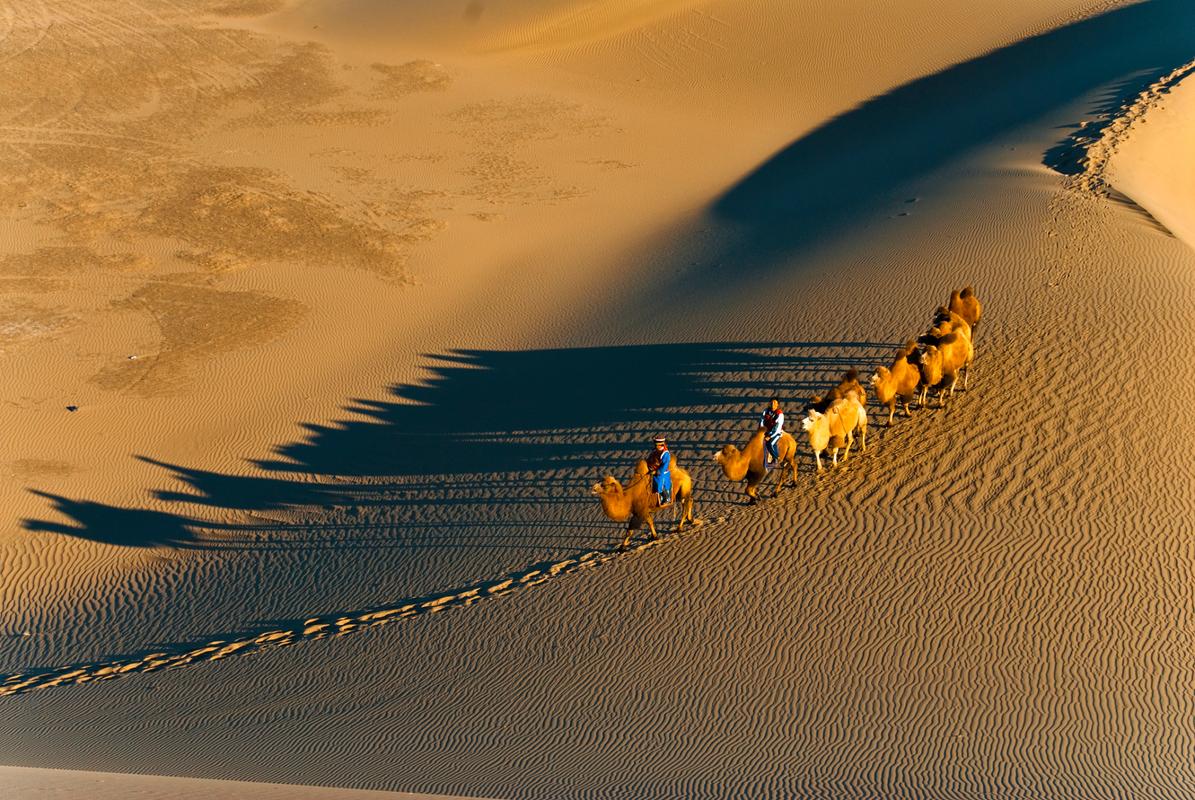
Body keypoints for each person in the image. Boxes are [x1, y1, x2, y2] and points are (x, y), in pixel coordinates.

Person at [646, 434, 672, 507]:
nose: (656, 446)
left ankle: (666, 497)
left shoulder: (665, 453)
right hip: (652, 469)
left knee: (658, 481)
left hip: (661, 472)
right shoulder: (654, 451)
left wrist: (658, 471)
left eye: (657, 444)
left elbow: (665, 464)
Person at [759, 398, 783, 469]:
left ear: (777, 405)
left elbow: (777, 428)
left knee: (770, 443)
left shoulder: (780, 414)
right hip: (766, 431)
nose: (773, 404)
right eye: (772, 403)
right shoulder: (766, 411)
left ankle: (777, 458)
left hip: (776, 433)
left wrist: (770, 436)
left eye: (775, 403)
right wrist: (761, 430)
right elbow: (762, 421)